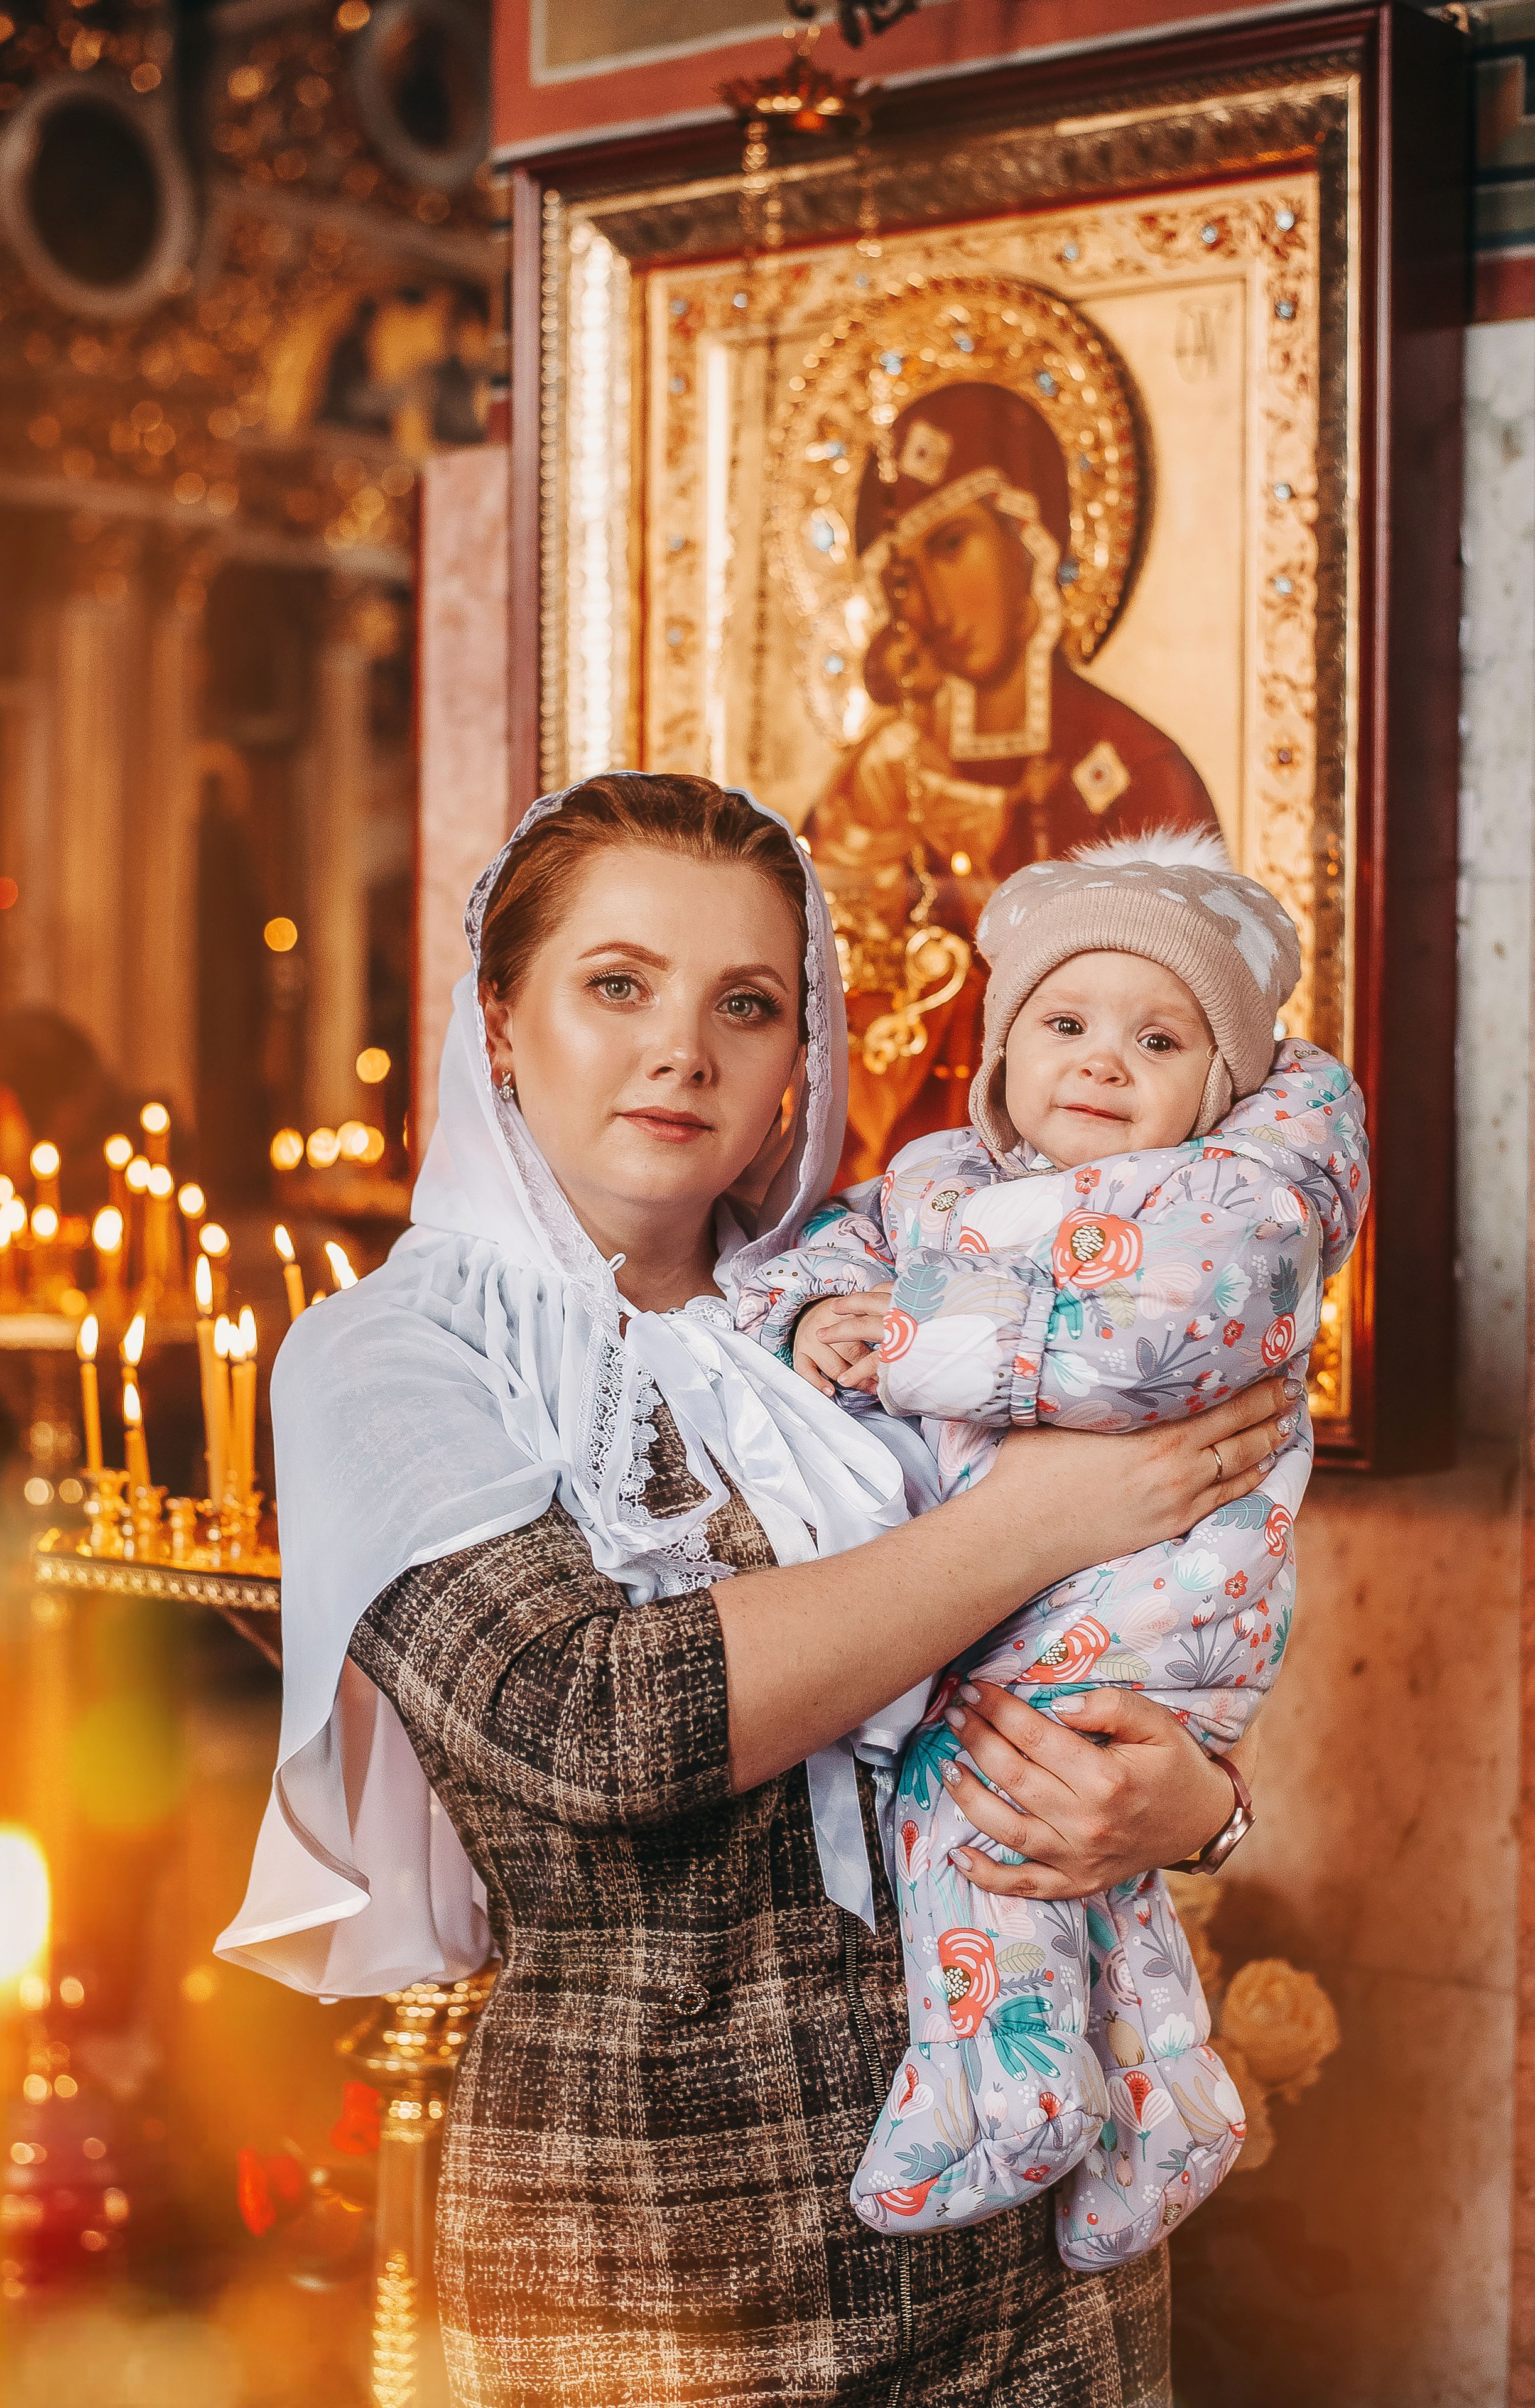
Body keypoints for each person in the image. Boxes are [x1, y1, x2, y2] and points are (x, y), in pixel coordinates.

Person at [217, 774, 1298, 2406]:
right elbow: (597, 1726)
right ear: (499, 1017)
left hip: (1037, 2219)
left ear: (807, 1056)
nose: (684, 1050)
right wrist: (1044, 1511)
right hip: (668, 2251)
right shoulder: (387, 1356)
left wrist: (1196, 1806)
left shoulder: (903, 1290)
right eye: (617, 984)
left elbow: (1126, 1624)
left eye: (749, 1003)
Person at [739, 831, 1368, 2269]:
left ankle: (1002, 2090)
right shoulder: (939, 1180)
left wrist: (893, 1346)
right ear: (1000, 1045)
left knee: (973, 1811)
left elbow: (1127, 1348)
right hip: (1058, 1597)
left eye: (1154, 1037)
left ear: (1211, 1088)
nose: (1097, 1060)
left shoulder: (1219, 1206)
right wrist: (804, 1321)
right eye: (1061, 1023)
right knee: (1087, 1864)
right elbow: (824, 1251)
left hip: (1146, 1605)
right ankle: (1161, 2101)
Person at [808, 381, 1222, 1183]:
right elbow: (816, 975)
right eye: (905, 572)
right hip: (890, 1178)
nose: (927, 601)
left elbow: (1175, 1016)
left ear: (1028, 536)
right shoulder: (883, 772)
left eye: (952, 544)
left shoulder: (1135, 771)